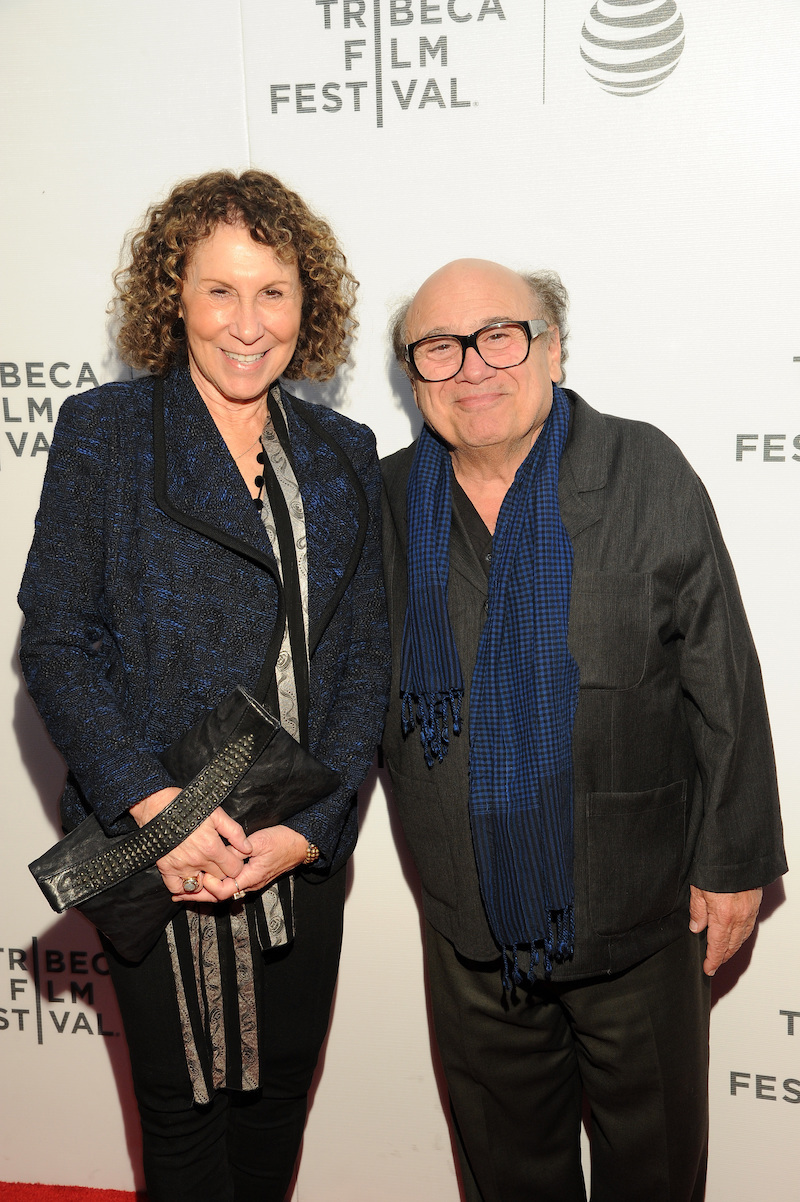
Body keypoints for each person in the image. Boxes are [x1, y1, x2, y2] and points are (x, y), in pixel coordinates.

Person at [381, 258, 786, 1202]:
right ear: (413, 375)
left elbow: (723, 674)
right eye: (439, 347)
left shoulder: (644, 469)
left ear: (553, 349)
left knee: (656, 1172)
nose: (472, 367)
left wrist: (734, 862)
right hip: (469, 920)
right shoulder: (385, 500)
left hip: (638, 909)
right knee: (506, 1174)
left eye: (499, 337)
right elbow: (341, 685)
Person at [19, 169, 389, 1202]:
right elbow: (57, 641)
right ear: (171, 296)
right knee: (182, 1124)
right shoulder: (105, 432)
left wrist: (311, 829)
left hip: (296, 852)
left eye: (273, 291)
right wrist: (159, 809)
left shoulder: (343, 451)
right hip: (162, 845)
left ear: (307, 302)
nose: (247, 322)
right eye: (219, 290)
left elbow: (366, 656)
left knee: (275, 1113)